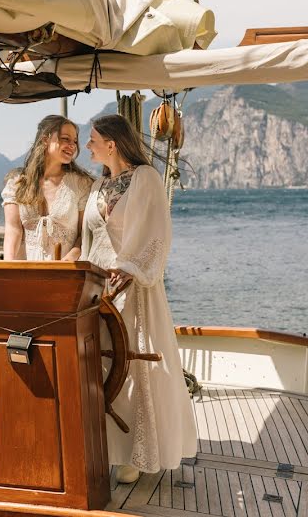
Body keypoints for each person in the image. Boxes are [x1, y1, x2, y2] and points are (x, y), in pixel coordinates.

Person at [80, 113, 196, 484]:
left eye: (93, 140)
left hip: (133, 288)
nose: (87, 147)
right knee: (99, 368)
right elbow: (90, 239)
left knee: (132, 367)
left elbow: (157, 233)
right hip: (97, 289)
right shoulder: (100, 185)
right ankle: (105, 448)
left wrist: (129, 268)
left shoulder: (145, 179)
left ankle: (134, 452)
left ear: (112, 144)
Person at [2, 115, 93, 261]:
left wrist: (68, 262)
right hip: (25, 274)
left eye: (75, 141)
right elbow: (13, 230)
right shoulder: (17, 182)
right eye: (65, 139)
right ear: (45, 140)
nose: (72, 145)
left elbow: (85, 233)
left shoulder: (81, 184)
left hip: (67, 273)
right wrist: (8, 267)